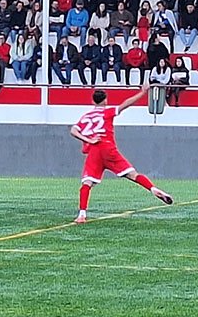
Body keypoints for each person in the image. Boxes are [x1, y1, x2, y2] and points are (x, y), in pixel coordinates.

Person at [70, 85, 174, 223]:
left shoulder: (86, 116)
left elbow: (73, 131)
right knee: (133, 175)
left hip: (93, 150)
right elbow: (125, 105)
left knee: (87, 183)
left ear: (93, 101)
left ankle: (82, 214)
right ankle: (153, 189)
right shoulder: (107, 112)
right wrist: (142, 92)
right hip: (107, 148)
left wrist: (89, 140)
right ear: (105, 101)